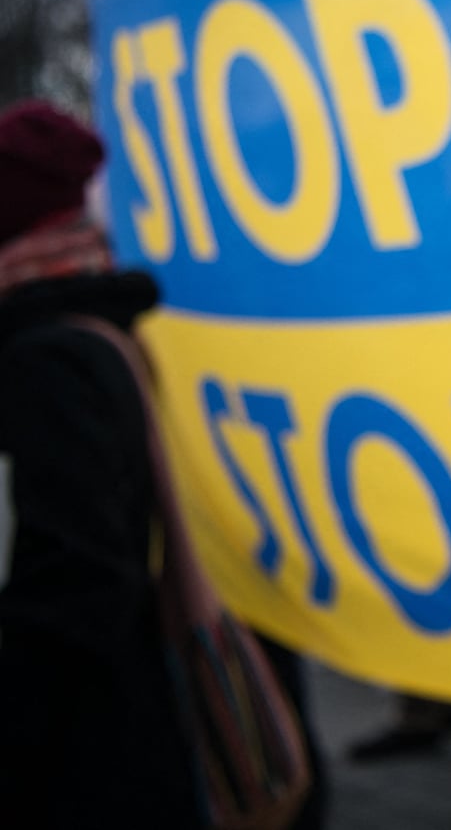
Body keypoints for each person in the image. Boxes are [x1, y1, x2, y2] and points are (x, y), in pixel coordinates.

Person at [0, 100, 203, 827]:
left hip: (88, 757)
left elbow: (76, 581)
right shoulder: (93, 324)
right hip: (124, 730)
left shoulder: (46, 356)